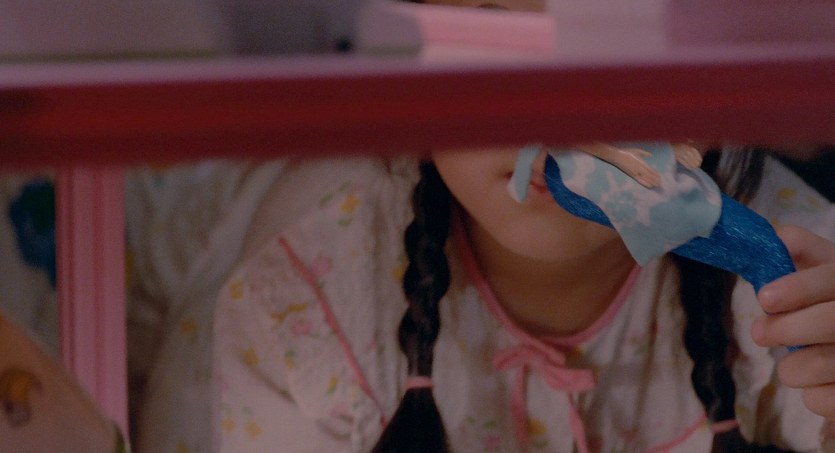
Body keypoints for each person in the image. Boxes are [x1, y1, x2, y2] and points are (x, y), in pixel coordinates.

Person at [211, 3, 835, 453]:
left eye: (609, 53)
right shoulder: (298, 307)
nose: (552, 117)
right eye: (494, 48)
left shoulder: (804, 265)